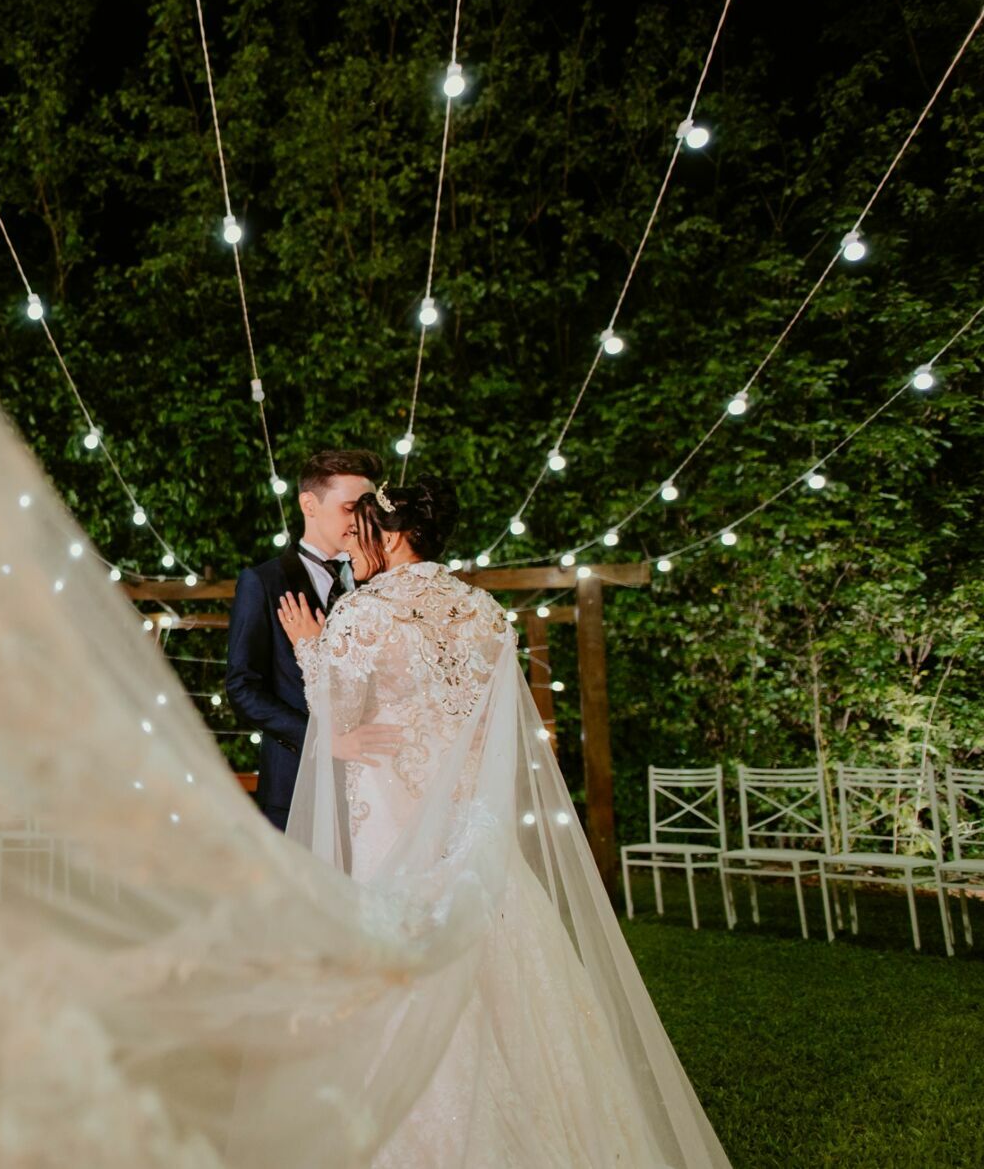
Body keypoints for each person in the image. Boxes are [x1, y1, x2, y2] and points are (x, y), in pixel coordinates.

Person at [276, 476, 730, 1167]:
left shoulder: (363, 614)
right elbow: (490, 730)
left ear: (392, 533)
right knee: (511, 981)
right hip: (469, 829)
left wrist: (309, 646)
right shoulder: (487, 614)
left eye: (362, 526)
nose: (350, 541)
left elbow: (338, 714)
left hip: (393, 828)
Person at [225, 448, 400, 830]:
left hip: (379, 788)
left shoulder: (382, 583)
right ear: (309, 504)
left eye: (367, 511)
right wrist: (324, 739)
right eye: (350, 507)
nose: (359, 522)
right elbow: (242, 688)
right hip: (295, 787)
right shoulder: (264, 582)